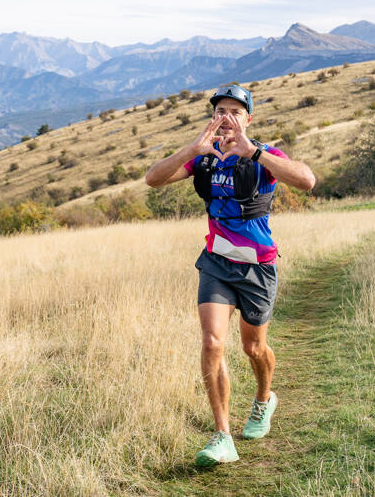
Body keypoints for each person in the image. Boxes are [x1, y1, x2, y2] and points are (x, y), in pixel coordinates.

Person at [145, 84, 316, 467]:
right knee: (211, 342)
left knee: (253, 348)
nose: (226, 118)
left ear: (248, 119)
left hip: (257, 266)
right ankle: (223, 436)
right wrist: (192, 149)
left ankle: (263, 399)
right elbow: (152, 179)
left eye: (234, 112)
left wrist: (255, 152)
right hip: (216, 263)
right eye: (220, 110)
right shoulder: (203, 159)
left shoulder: (263, 155)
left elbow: (306, 181)